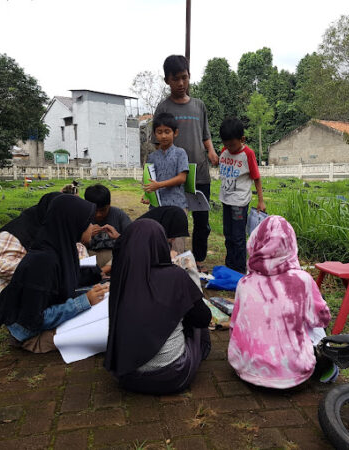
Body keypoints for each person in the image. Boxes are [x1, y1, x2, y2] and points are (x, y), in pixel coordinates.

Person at [0, 195, 108, 353]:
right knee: (112, 334)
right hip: (32, 334)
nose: (93, 227)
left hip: (45, 316)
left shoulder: (60, 247)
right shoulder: (43, 263)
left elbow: (67, 280)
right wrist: (84, 301)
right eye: (88, 223)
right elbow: (34, 320)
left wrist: (100, 276)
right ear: (73, 224)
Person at [104, 219, 212, 395]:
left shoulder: (121, 276)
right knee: (196, 312)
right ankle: (200, 352)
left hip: (125, 375)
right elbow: (203, 318)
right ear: (161, 244)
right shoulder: (175, 276)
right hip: (172, 376)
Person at [228, 216, 332, 388]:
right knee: (315, 321)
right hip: (294, 375)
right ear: (291, 244)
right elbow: (322, 320)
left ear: (255, 242)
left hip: (247, 369)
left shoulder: (245, 283)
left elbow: (234, 327)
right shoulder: (302, 280)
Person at [154, 55, 219, 272]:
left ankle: (199, 262)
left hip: (199, 173)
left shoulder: (199, 106)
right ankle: (171, 260)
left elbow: (205, 135)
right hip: (174, 179)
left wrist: (211, 151)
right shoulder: (163, 108)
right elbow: (157, 145)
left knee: (202, 222)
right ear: (167, 81)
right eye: (175, 79)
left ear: (189, 77)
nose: (181, 84)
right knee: (174, 221)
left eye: (184, 78)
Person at [218, 118, 265, 274]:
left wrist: (260, 200)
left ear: (242, 139)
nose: (229, 148)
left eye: (232, 144)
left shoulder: (248, 154)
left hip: (239, 202)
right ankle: (230, 264)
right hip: (226, 199)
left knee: (238, 236)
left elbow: (256, 178)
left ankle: (239, 270)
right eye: (226, 144)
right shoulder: (224, 152)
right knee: (228, 234)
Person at [144, 112, 189, 209]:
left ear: (175, 133)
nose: (163, 136)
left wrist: (159, 185)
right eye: (159, 132)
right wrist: (147, 196)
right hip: (157, 206)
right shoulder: (152, 157)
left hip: (177, 205)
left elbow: (182, 178)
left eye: (167, 132)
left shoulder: (180, 153)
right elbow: (148, 180)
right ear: (155, 134)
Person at [84, 184, 132, 268]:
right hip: (90, 257)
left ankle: (103, 271)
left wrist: (118, 237)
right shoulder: (82, 216)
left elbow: (133, 242)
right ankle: (97, 273)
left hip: (113, 256)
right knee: (77, 262)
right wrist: (86, 236)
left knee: (126, 257)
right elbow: (73, 247)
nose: (98, 215)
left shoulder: (119, 215)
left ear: (109, 205)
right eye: (95, 211)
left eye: (103, 210)